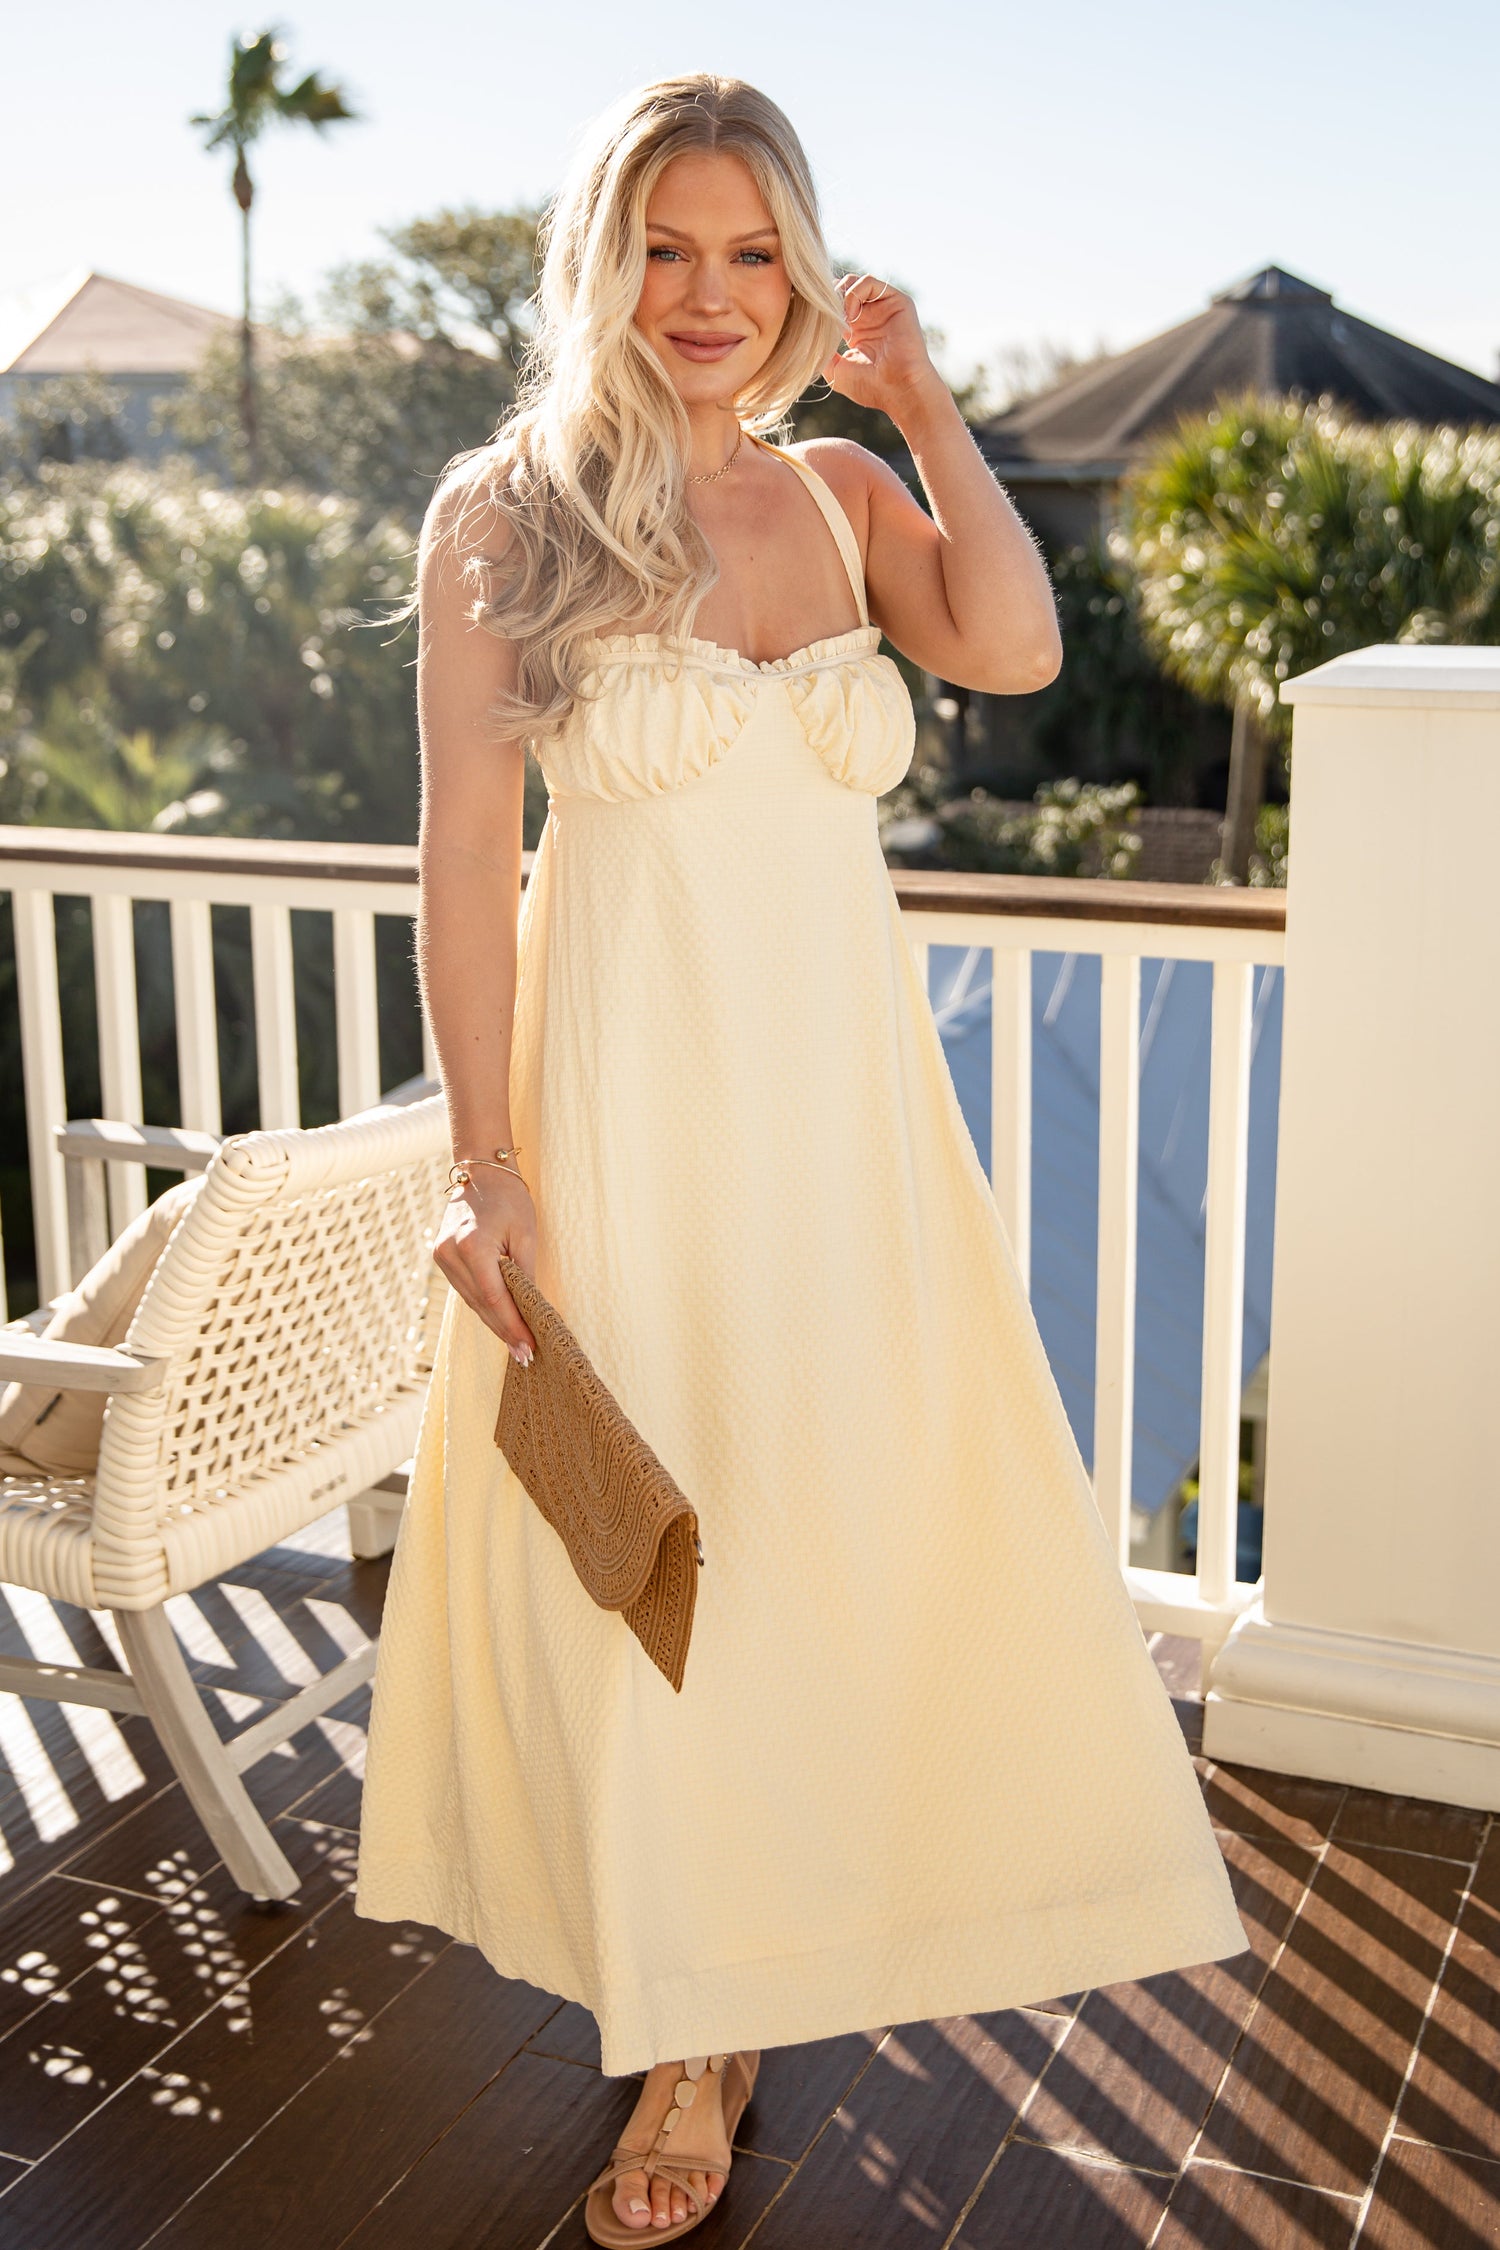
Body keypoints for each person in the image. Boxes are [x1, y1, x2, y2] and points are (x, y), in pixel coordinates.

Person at [353, 71, 1247, 2244]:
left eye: (753, 253)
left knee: (841, 1537)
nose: (708, 294)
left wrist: (923, 405)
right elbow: (464, 859)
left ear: (803, 273)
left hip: (849, 1132)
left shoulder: (844, 492)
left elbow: (1015, 644)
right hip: (627, 1122)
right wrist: (486, 1158)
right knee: (662, 1574)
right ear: (603, 259)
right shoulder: (509, 512)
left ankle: (804, 1932)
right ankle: (692, 2035)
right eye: (666, 247)